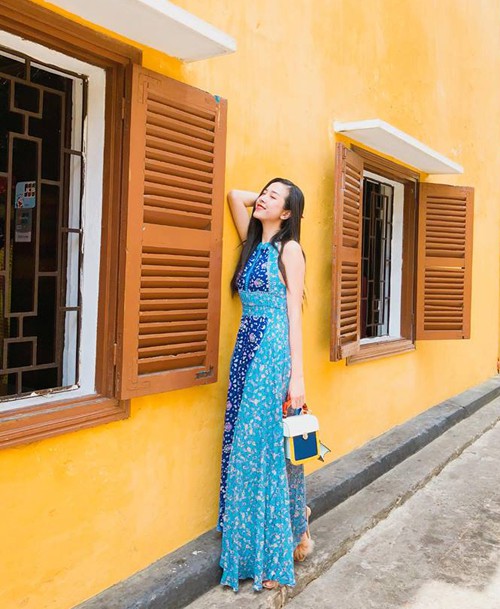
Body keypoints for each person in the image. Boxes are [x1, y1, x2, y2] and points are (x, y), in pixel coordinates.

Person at [217, 178, 313, 592]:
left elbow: (294, 314)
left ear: (287, 213)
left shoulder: (289, 250)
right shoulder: (254, 243)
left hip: (272, 351)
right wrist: (264, 197)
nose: (262, 199)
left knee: (265, 450)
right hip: (245, 348)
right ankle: (295, 528)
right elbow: (234, 197)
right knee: (246, 445)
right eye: (264, 192)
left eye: (275, 197)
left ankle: (274, 552)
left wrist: (298, 377)